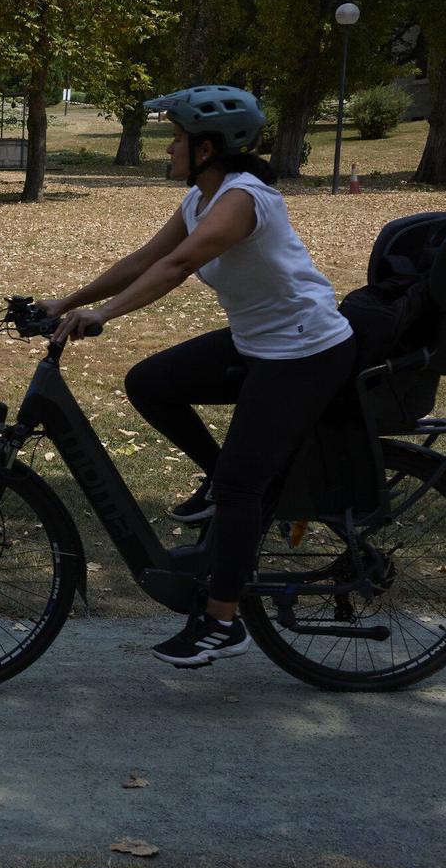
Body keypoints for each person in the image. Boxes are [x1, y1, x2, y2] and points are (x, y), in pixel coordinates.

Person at [38, 85, 356, 668]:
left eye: (177, 140)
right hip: (258, 344)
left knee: (242, 490)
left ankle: (221, 620)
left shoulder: (241, 198)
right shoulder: (199, 201)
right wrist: (66, 301)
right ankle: (220, 483)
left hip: (306, 352)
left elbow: (178, 267)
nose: (169, 150)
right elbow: (143, 261)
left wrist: (103, 315)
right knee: (151, 383)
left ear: (208, 149)